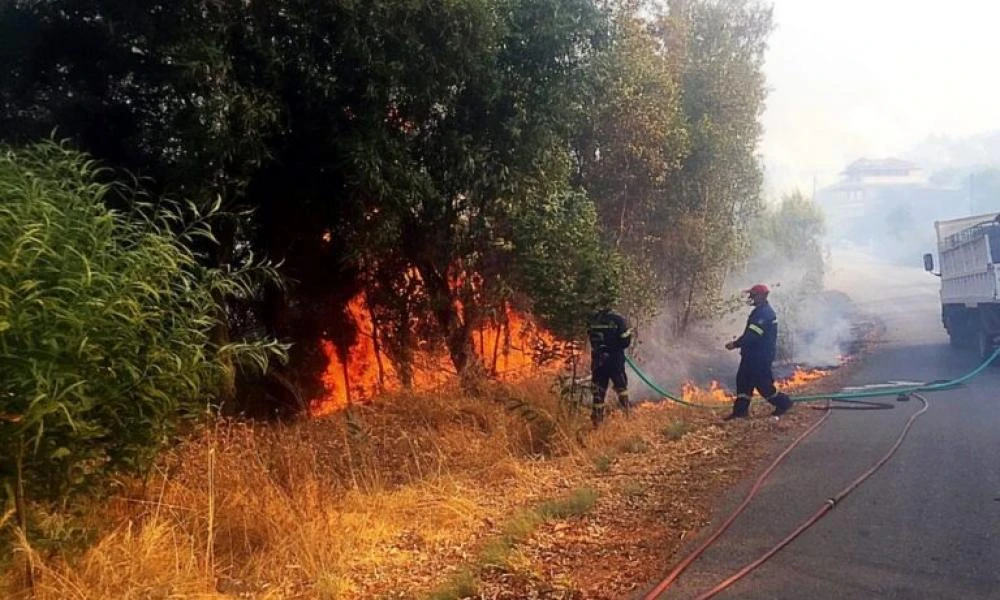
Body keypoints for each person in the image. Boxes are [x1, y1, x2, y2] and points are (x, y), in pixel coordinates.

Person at [724, 284, 792, 420]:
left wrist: (735, 344)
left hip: (760, 357)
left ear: (762, 296)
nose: (751, 298)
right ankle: (740, 412)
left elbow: (752, 335)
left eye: (753, 295)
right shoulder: (760, 311)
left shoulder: (764, 313)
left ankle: (784, 403)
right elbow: (751, 334)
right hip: (751, 356)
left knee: (764, 385)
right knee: (743, 382)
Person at [587, 307, 634, 427]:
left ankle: (597, 422)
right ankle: (627, 416)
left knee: (598, 391)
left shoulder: (594, 319)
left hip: (599, 362)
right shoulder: (618, 319)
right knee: (621, 387)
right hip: (615, 361)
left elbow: (592, 339)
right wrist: (615, 346)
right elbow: (625, 341)